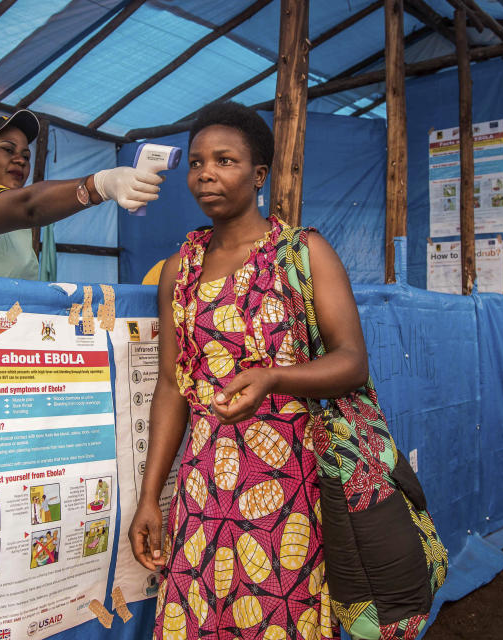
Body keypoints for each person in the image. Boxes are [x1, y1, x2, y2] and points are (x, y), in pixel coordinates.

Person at [128, 101, 370, 640]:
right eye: (195, 163)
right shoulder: (179, 268)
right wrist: (151, 498)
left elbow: (351, 361)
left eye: (225, 161)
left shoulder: (301, 251)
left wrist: (275, 377)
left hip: (289, 481)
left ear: (259, 175)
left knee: (281, 611)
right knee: (200, 614)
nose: (206, 174)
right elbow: (172, 385)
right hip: (203, 484)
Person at [0, 109, 162, 278]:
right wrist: (98, 185)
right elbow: (29, 206)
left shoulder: (16, 230)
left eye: (26, 155)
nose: (20, 160)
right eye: (7, 149)